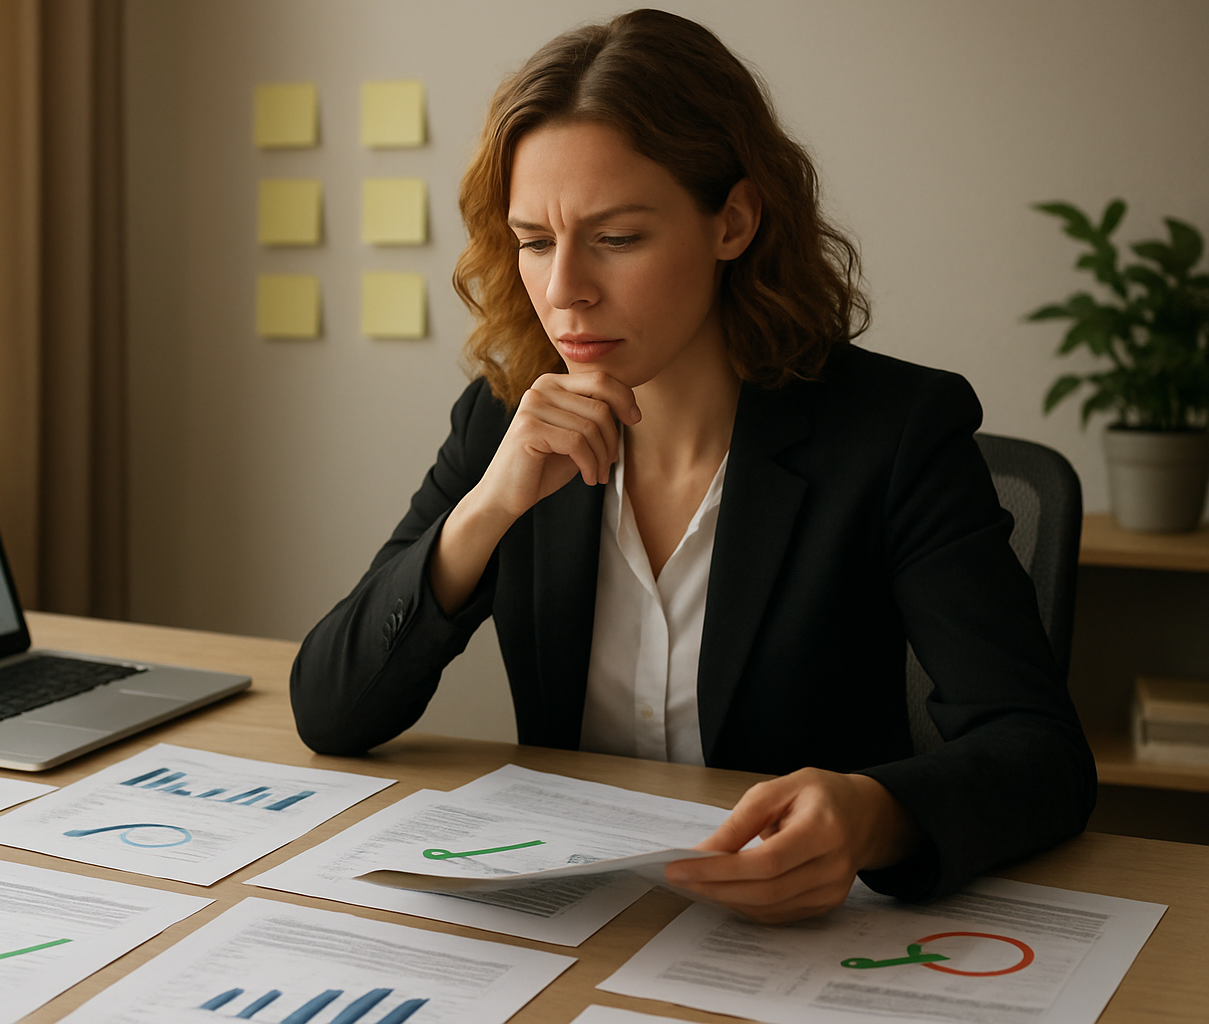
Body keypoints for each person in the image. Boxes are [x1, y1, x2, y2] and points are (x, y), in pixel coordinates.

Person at [289, 9, 1095, 922]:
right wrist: (483, 514)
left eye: (618, 238)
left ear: (734, 222)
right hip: (586, 929)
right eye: (536, 241)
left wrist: (877, 816)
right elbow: (330, 709)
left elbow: (1041, 751)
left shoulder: (898, 432)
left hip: (798, 937)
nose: (564, 293)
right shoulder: (505, 421)